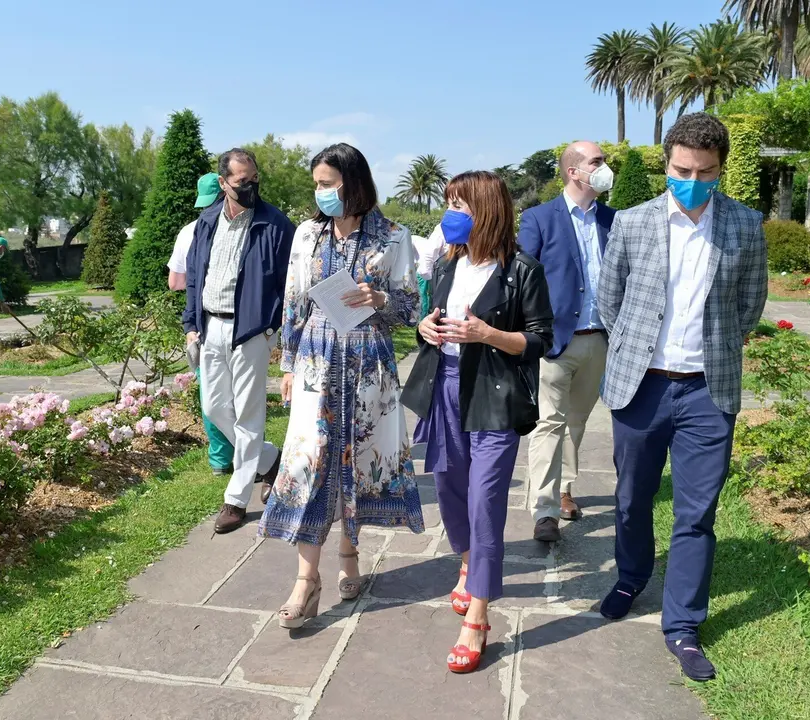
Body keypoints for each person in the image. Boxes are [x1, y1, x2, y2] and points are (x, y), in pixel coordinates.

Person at [597, 113, 768, 682]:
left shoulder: (745, 226)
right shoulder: (633, 222)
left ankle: (683, 627)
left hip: (707, 391)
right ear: (666, 163)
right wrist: (638, 351)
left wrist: (713, 347)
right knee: (631, 498)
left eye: (703, 171)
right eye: (680, 169)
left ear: (720, 169)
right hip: (642, 385)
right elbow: (609, 299)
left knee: (697, 514)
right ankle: (631, 575)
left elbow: (751, 303)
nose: (691, 179)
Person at [258, 143, 424, 629]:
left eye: (328, 183)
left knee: (358, 458)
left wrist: (380, 298)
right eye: (317, 184)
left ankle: (349, 558)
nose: (321, 192)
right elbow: (292, 301)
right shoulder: (308, 234)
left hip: (369, 362)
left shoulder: (393, 236)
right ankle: (306, 580)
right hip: (315, 358)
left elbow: (410, 309)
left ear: (353, 182)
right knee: (310, 462)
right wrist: (287, 364)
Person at [403, 171, 554, 673]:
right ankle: (467, 561)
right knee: (448, 487)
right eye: (449, 203)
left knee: (485, 499)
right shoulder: (449, 265)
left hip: (493, 394)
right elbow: (432, 322)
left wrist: (489, 333)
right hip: (444, 387)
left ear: (486, 210)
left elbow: (539, 341)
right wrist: (425, 328)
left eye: (460, 205)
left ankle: (480, 617)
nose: (451, 213)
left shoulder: (522, 270)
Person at [183, 148, 295, 534]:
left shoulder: (275, 224)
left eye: (254, 179)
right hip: (210, 326)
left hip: (251, 331)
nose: (250, 186)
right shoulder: (207, 221)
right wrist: (190, 324)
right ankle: (270, 460)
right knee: (214, 408)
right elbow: (196, 275)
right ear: (223, 183)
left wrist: (275, 328)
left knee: (248, 416)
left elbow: (290, 284)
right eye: (241, 181)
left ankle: (236, 498)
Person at [519, 141, 617, 543]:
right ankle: (544, 511)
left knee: (575, 424)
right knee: (549, 424)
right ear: (574, 172)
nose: (604, 168)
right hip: (554, 342)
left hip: (599, 340)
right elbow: (523, 276)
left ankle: (563, 489)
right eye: (596, 162)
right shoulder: (539, 218)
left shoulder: (615, 220)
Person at [166, 172, 234, 476]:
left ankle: (220, 459)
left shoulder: (188, 231)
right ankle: (249, 455)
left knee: (211, 392)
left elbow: (174, 283)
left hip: (200, 321)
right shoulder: (235, 229)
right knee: (239, 395)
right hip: (229, 320)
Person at [412, 227, 447, 320]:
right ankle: (429, 314)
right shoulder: (415, 239)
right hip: (432, 268)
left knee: (422, 295)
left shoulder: (409, 241)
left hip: (424, 268)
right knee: (430, 295)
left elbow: (408, 260)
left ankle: (422, 317)